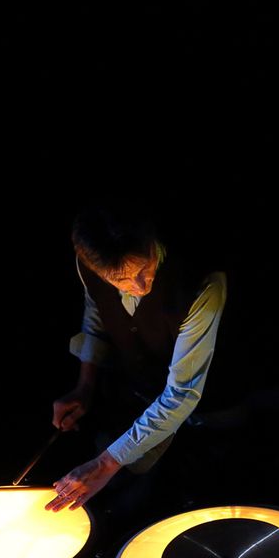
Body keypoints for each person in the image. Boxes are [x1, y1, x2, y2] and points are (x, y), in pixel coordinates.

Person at [47, 205, 226, 511]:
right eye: (122, 281)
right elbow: (97, 314)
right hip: (137, 388)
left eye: (145, 268)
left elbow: (182, 393)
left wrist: (105, 464)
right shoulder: (90, 266)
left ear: (151, 241)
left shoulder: (203, 283)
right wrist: (85, 386)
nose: (141, 286)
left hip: (209, 398)